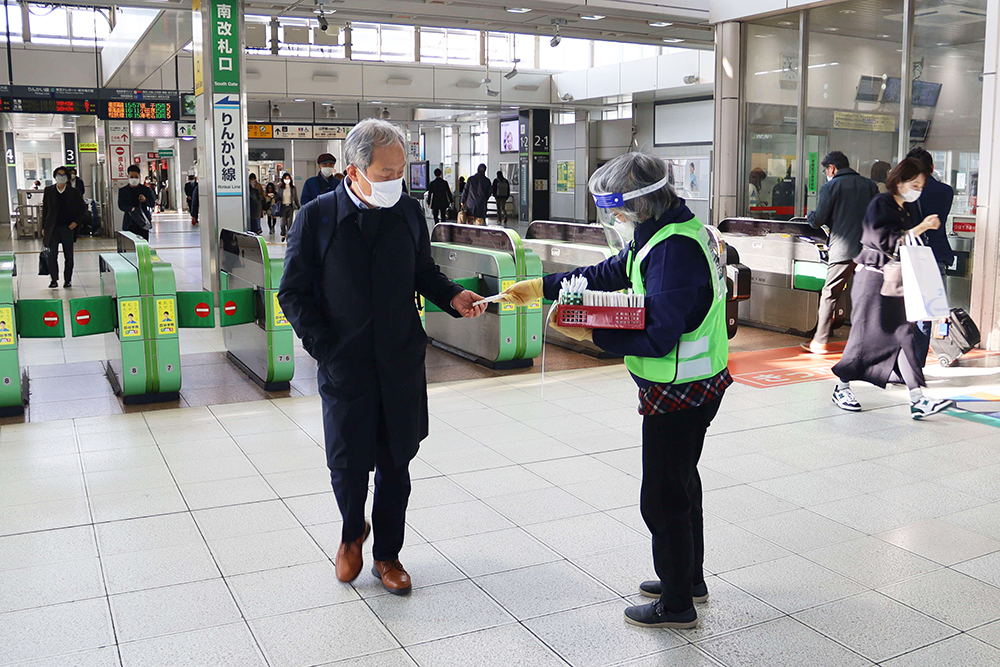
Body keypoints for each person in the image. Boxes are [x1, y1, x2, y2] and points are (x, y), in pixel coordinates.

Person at [502, 152, 731, 630]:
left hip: (679, 389)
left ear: (639, 204)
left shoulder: (673, 251)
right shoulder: (664, 234)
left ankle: (676, 606)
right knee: (683, 482)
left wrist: (594, 335)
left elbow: (660, 334)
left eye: (616, 211)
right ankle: (687, 580)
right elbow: (606, 273)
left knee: (663, 496)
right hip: (695, 382)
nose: (613, 220)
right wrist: (539, 287)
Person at [278, 118, 487, 597]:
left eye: (402, 171)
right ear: (354, 172)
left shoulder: (409, 214)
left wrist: (452, 296)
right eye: (386, 172)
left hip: (399, 360)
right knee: (347, 461)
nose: (397, 181)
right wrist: (325, 349)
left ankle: (388, 555)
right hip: (344, 362)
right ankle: (353, 533)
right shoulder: (316, 218)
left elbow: (425, 274)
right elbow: (293, 293)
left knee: (396, 462)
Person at [830, 158, 955, 419]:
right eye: (914, 185)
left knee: (903, 336)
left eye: (921, 186)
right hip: (872, 282)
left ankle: (918, 398)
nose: (918, 190)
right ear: (899, 181)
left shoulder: (904, 208)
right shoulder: (881, 203)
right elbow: (886, 242)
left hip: (893, 281)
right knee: (863, 339)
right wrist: (921, 228)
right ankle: (841, 386)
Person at [802, 151, 879, 354]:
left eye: (826, 170)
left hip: (843, 249)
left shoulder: (831, 186)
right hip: (869, 249)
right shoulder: (870, 185)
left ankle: (820, 341)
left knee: (830, 294)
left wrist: (810, 216)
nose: (826, 173)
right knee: (867, 295)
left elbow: (818, 219)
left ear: (832, 168)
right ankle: (871, 341)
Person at [906, 147, 956, 366]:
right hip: (936, 253)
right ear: (932, 168)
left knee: (905, 311)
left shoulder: (907, 192)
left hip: (910, 253)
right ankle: (918, 363)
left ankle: (904, 362)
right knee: (925, 313)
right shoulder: (946, 191)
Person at [41, 166, 87, 289]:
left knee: (69, 256)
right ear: (55, 176)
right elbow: (45, 209)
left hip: (68, 228)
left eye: (63, 175)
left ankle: (68, 280)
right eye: (58, 174)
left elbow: (82, 208)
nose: (61, 177)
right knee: (52, 255)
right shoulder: (49, 190)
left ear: (67, 178)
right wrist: (43, 227)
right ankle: (54, 279)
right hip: (52, 228)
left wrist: (76, 222)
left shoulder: (74, 192)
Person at [118, 164, 155, 240]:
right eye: (131, 177)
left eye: (136, 177)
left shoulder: (146, 190)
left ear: (139, 177)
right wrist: (131, 209)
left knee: (143, 245)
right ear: (128, 177)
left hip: (143, 222)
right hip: (129, 222)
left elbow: (152, 203)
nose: (134, 179)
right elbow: (121, 205)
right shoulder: (123, 191)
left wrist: (145, 200)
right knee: (129, 245)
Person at [277, 172, 299, 241]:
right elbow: (278, 197)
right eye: (285, 178)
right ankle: (283, 234)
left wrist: (299, 206)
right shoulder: (280, 188)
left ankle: (288, 237)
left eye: (288, 178)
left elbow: (295, 198)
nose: (287, 180)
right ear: (283, 179)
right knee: (282, 224)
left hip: (290, 207)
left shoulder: (293, 188)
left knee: (289, 224)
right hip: (283, 207)